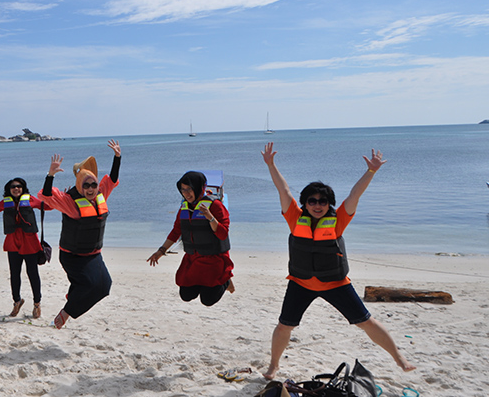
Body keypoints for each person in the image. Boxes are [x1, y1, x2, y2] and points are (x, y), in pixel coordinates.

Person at [260, 142, 415, 379]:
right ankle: (274, 365)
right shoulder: (294, 217)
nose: (317, 205)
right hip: (301, 283)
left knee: (366, 322)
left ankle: (399, 357)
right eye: (312, 201)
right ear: (305, 203)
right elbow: (283, 190)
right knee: (284, 326)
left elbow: (355, 195)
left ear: (329, 204)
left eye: (323, 201)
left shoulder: (338, 220)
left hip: (335, 283)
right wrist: (271, 165)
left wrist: (371, 171)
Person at [38, 140, 121, 329]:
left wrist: (117, 157)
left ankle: (73, 297)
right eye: (86, 186)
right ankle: (65, 314)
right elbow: (47, 196)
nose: (91, 189)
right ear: (80, 186)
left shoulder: (100, 195)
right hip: (73, 256)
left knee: (105, 286)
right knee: (90, 285)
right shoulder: (70, 203)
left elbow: (112, 180)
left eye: (93, 184)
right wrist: (50, 175)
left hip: (94, 254)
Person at [147, 171, 235, 306]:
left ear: (198, 188)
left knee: (208, 300)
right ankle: (207, 284)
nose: (186, 193)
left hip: (214, 259)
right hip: (193, 258)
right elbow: (176, 231)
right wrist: (161, 251)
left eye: (189, 189)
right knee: (186, 295)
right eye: (183, 190)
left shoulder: (215, 205)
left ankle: (226, 280)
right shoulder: (184, 207)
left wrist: (210, 217)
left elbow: (223, 234)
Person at [0, 178, 51, 319]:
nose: (16, 189)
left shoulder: (31, 199)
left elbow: (48, 206)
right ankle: (17, 302)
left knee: (32, 273)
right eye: (13, 187)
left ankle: (37, 304)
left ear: (23, 188)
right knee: (14, 274)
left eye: (19, 186)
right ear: (9, 190)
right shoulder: (5, 202)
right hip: (13, 242)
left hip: (30, 242)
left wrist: (61, 198)